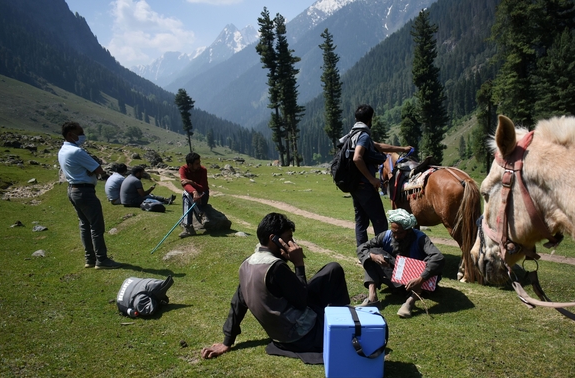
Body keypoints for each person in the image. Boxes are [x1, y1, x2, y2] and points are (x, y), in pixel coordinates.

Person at [201, 212, 351, 360]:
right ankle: (343, 326)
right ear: (274, 239)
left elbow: (237, 304)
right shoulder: (276, 268)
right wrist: (298, 264)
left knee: (331, 270)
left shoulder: (247, 264)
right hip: (304, 336)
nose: (293, 243)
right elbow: (302, 301)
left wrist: (227, 341)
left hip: (280, 337)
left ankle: (341, 319)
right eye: (289, 239)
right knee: (334, 269)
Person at [357, 209, 444, 318]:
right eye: (394, 232)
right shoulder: (386, 235)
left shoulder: (420, 238)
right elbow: (362, 248)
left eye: (400, 233)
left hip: (417, 281)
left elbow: (438, 257)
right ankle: (372, 298)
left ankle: (410, 302)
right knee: (371, 253)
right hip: (396, 276)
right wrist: (373, 256)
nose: (396, 236)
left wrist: (421, 278)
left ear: (408, 231)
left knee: (430, 262)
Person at [57, 121, 121, 269]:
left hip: (73, 190)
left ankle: (90, 259)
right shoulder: (77, 151)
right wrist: (93, 170)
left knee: (84, 225)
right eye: (80, 133)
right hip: (85, 191)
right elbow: (99, 170)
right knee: (96, 227)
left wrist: (89, 170)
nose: (83, 136)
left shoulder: (62, 151)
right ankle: (102, 259)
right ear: (70, 135)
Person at [348, 104, 412, 246]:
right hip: (365, 185)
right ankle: (383, 251)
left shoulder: (354, 134)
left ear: (356, 118)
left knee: (361, 221)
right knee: (380, 221)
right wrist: (372, 179)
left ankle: (363, 253)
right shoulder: (363, 136)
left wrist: (402, 149)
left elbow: (380, 146)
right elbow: (357, 158)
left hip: (355, 185)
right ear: (370, 119)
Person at [178, 152, 211, 238]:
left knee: (186, 195)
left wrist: (192, 182)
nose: (199, 165)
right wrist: (194, 191)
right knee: (186, 194)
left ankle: (188, 227)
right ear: (189, 164)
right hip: (193, 196)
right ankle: (201, 214)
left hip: (203, 196)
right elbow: (184, 184)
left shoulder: (203, 170)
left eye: (199, 162)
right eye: (197, 163)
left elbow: (203, 187)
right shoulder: (183, 169)